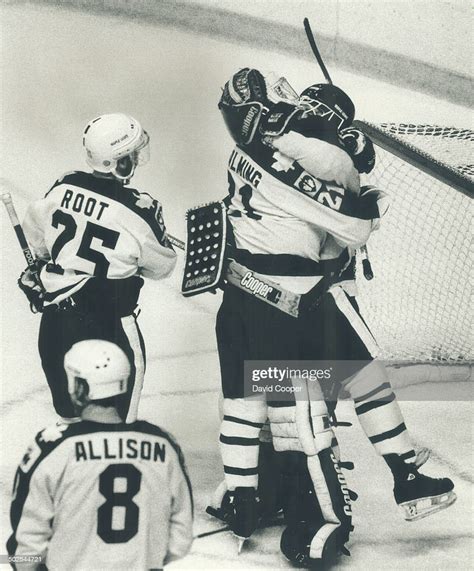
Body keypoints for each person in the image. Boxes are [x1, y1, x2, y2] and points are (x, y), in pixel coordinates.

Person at [210, 68, 455, 566]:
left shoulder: (254, 147)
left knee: (256, 395)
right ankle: (329, 503)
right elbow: (355, 225)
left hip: (248, 290)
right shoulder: (312, 157)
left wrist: (342, 154)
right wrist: (356, 169)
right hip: (302, 295)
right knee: (318, 400)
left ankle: (248, 491)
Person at [18, 113, 177, 423]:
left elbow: (36, 238)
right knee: (116, 429)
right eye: (131, 153)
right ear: (119, 162)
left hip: (56, 325)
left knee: (71, 424)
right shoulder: (138, 209)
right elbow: (162, 267)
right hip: (110, 328)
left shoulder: (64, 185)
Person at [7, 339, 193, 570]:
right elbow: (180, 540)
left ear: (82, 389)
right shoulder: (163, 445)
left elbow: (23, 548)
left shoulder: (52, 448)